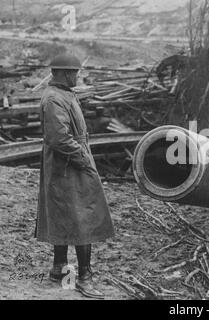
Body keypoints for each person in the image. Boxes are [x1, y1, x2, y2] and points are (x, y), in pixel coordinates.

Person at [36, 53, 115, 299]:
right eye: (72, 73)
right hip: (68, 163)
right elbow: (59, 138)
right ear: (60, 73)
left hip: (66, 163)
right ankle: (84, 277)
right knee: (84, 214)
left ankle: (59, 267)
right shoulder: (53, 99)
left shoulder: (63, 94)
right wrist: (82, 158)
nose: (76, 76)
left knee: (66, 212)